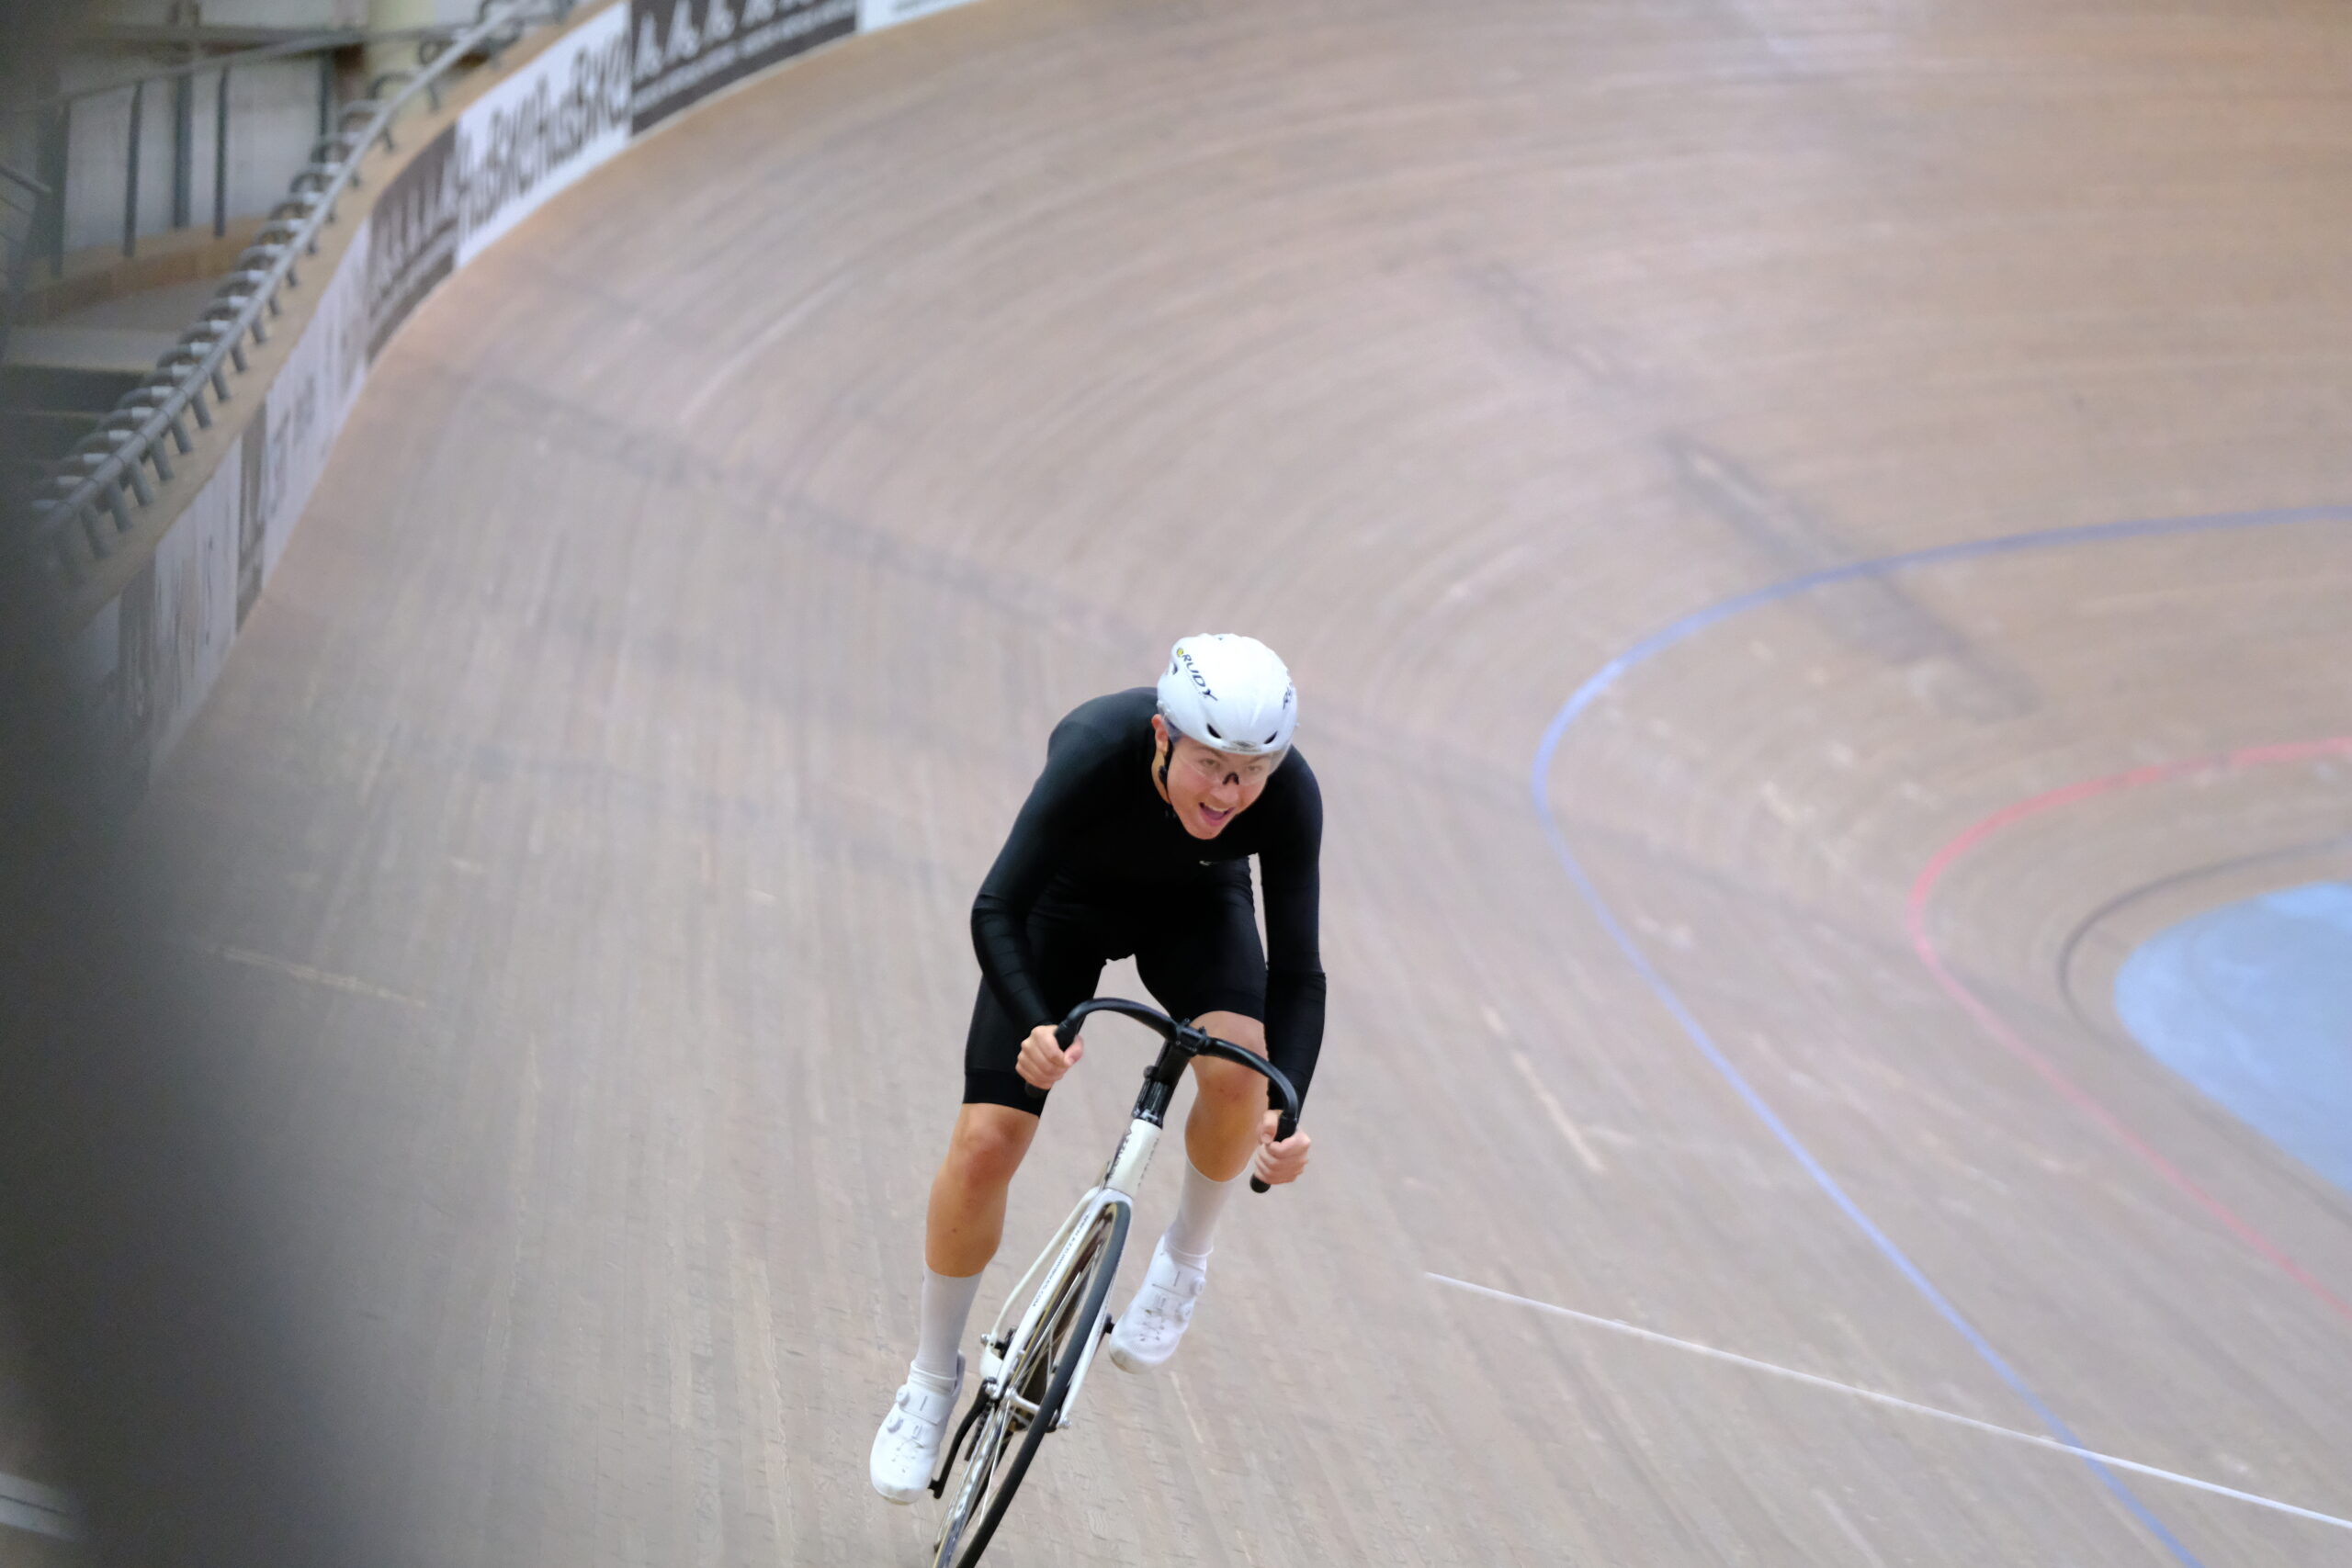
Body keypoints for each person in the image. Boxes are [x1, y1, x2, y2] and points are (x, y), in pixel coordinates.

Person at [870, 634, 1325, 1503]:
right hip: (1063, 906)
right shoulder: (1094, 746)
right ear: (1162, 735)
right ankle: (929, 1379)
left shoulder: (1290, 792)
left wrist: (1287, 1106)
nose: (1228, 793)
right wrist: (1036, 1024)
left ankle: (1184, 1258)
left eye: (1250, 773)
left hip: (1196, 906)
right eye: (1210, 765)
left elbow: (1299, 971)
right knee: (986, 1141)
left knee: (1242, 1074)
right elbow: (996, 905)